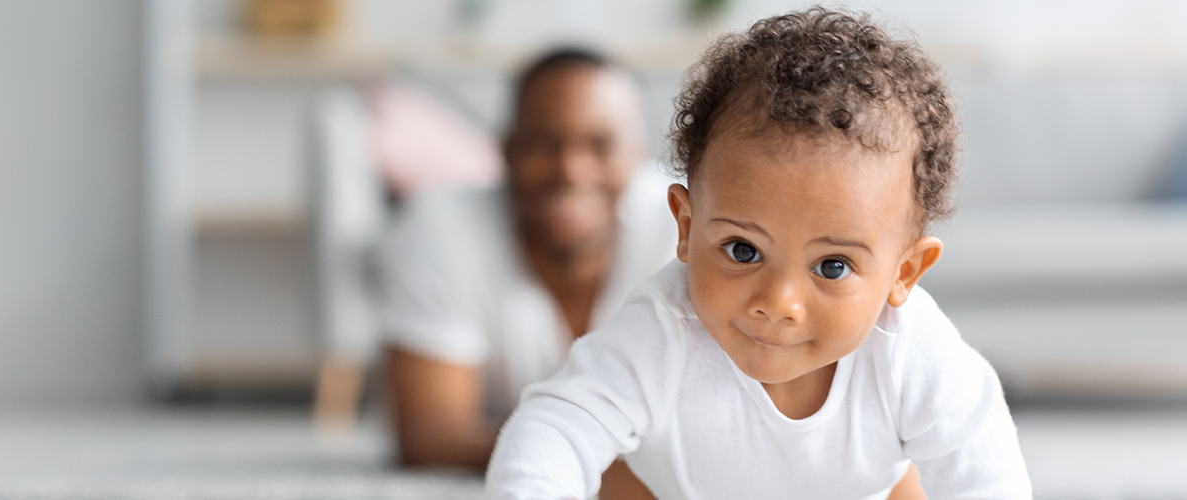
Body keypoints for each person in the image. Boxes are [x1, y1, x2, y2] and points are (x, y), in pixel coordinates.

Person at [486, 8, 1032, 500]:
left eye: (832, 266)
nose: (778, 302)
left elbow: (985, 475)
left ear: (903, 273)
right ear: (686, 224)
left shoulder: (915, 353)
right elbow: (559, 423)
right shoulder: (660, 331)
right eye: (743, 250)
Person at [377, 49, 674, 497]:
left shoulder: (686, 224)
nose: (571, 170)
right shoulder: (439, 225)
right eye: (543, 143)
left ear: (638, 155)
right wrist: (574, 452)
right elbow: (428, 434)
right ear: (506, 150)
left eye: (600, 145)